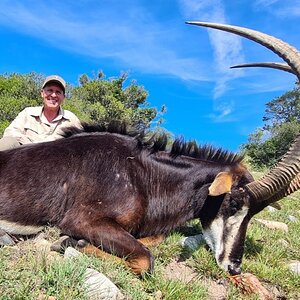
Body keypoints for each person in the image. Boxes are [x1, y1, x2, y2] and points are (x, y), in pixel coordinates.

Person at [0, 75, 81, 151]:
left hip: (57, 162)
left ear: (63, 97)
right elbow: (10, 133)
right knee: (6, 143)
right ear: (42, 93)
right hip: (26, 156)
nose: (53, 95)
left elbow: (80, 144)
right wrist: (33, 146)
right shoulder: (27, 112)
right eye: (50, 90)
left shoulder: (72, 119)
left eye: (58, 92)